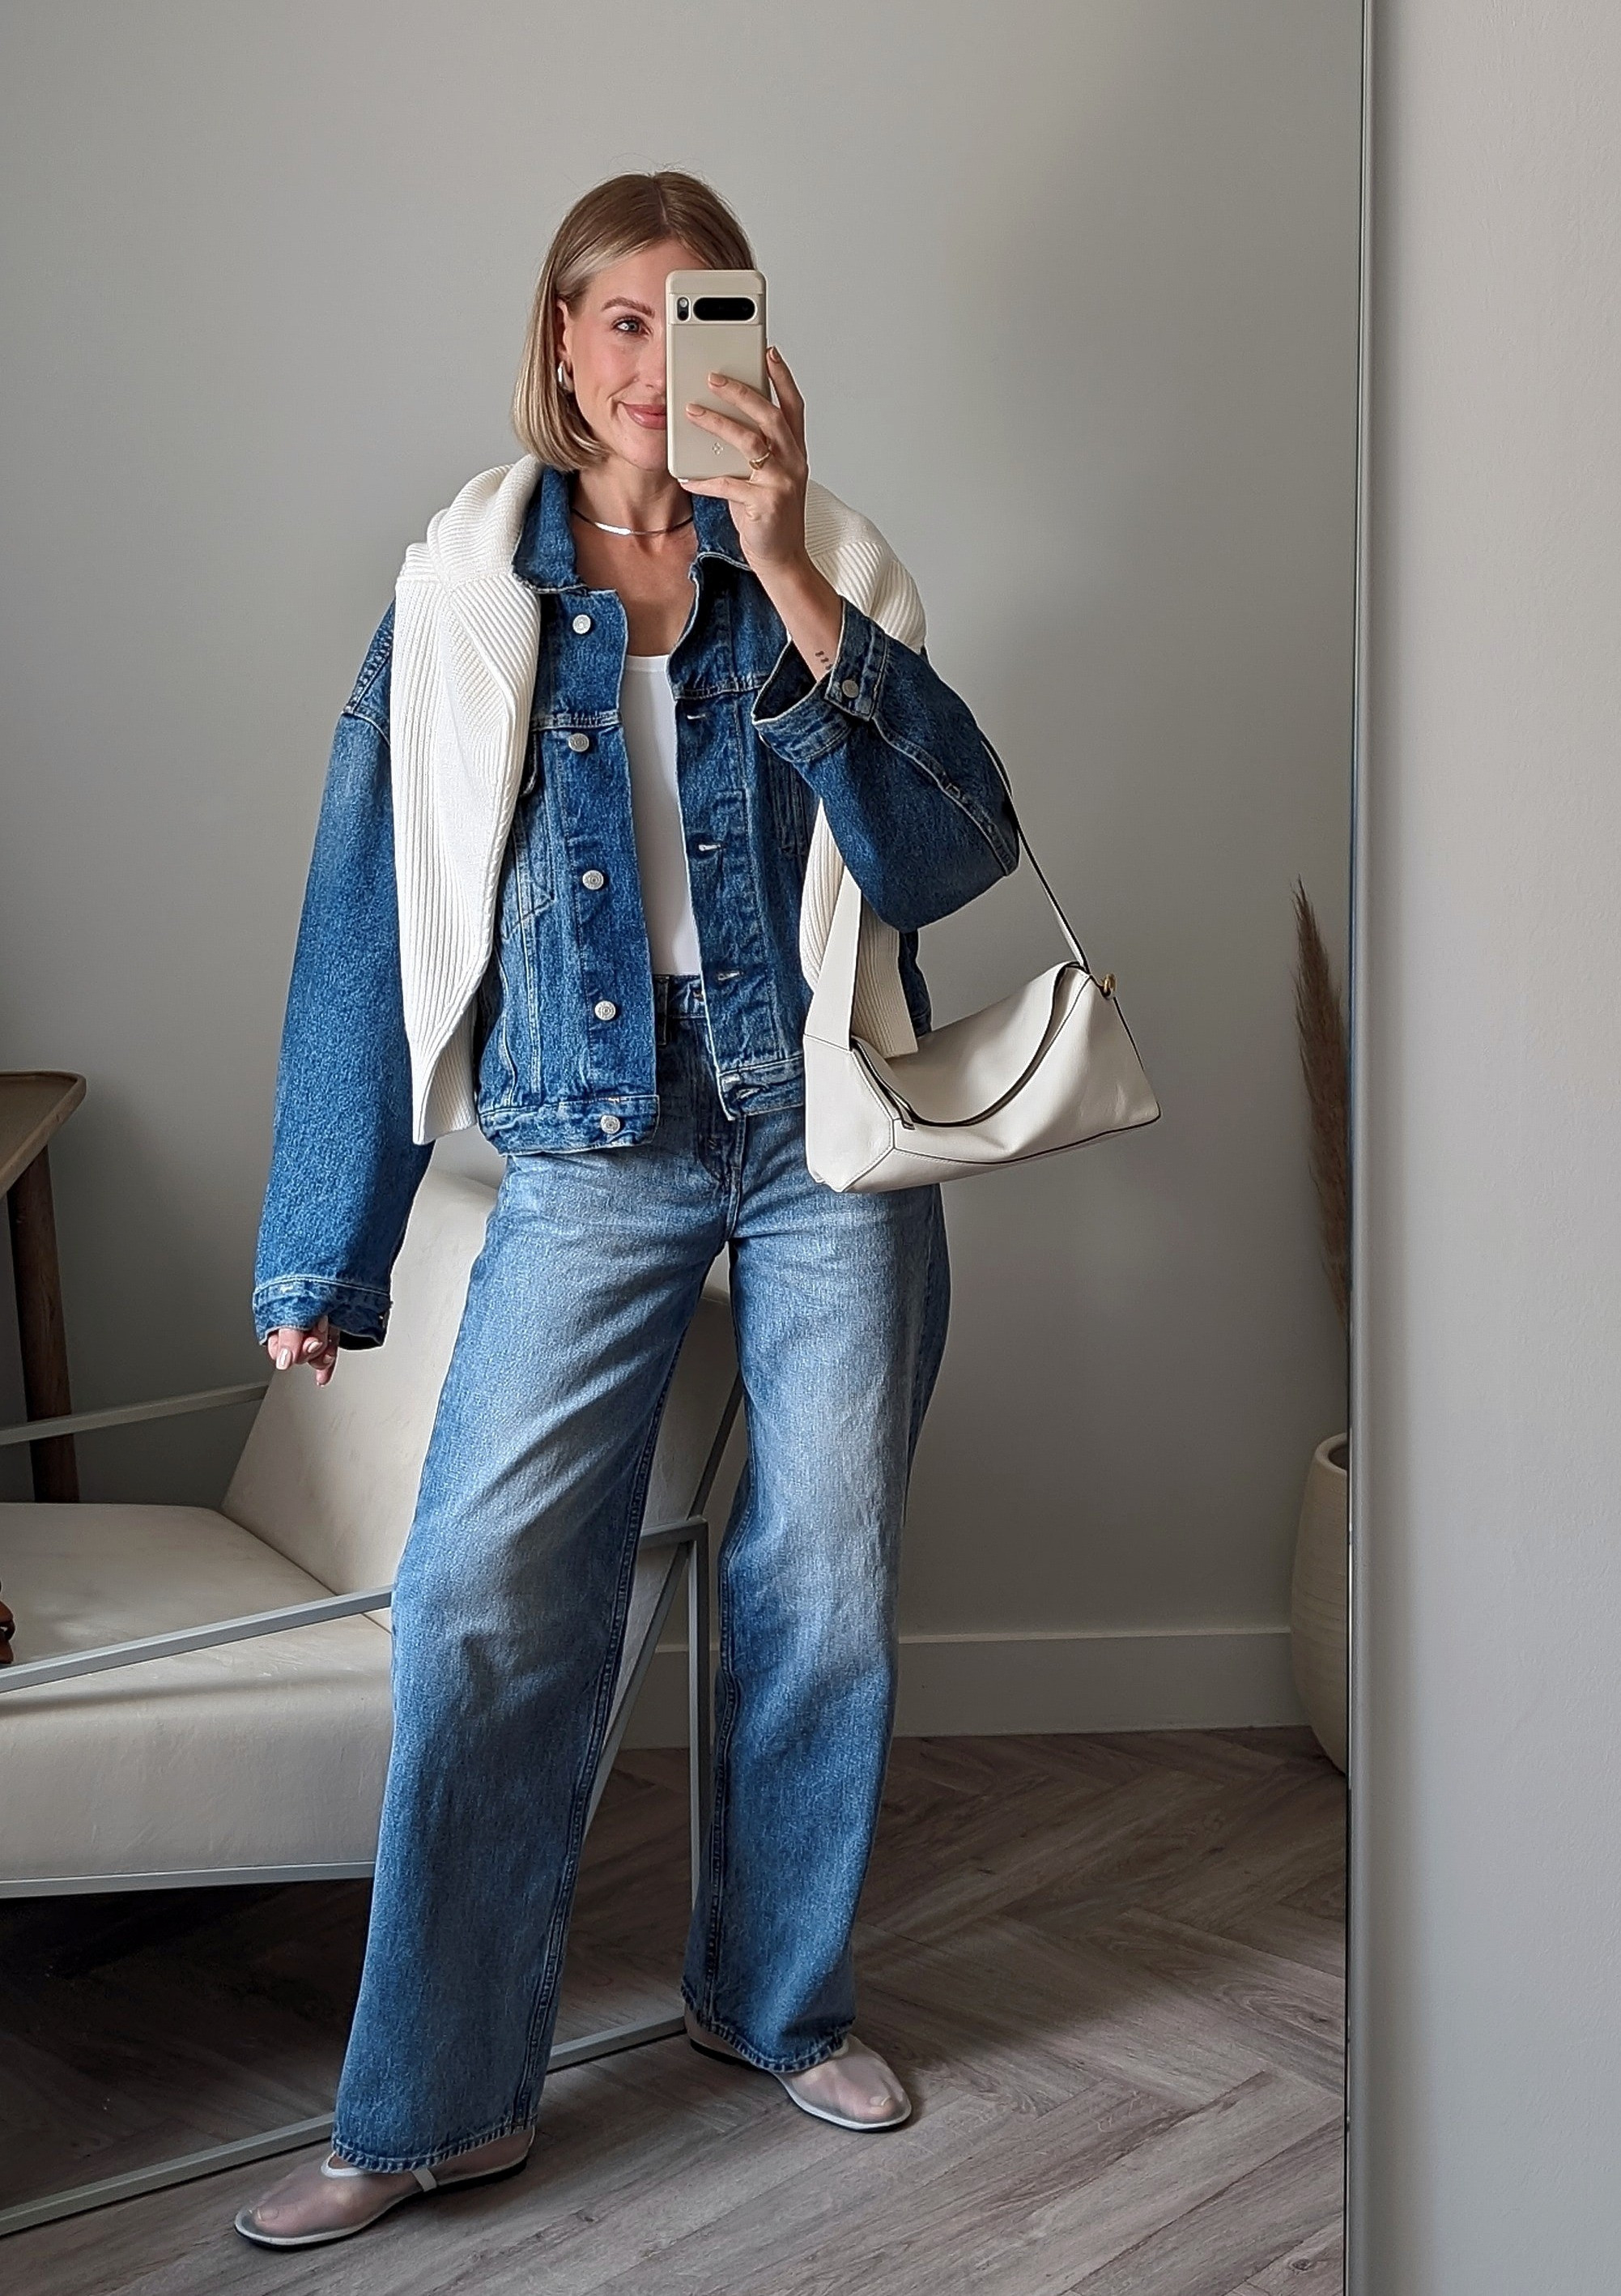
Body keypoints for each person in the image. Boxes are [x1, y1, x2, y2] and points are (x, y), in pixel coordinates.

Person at [234, 169, 1020, 2247]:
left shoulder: (820, 568)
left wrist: (795, 570)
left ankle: (775, 2003)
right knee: (487, 1590)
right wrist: (330, 1239)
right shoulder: (466, 588)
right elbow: (369, 922)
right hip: (593, 1133)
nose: (656, 362)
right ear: (563, 345)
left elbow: (950, 864)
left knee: (822, 1573)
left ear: (748, 345)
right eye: (620, 321)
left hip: (827, 1125)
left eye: (703, 319)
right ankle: (429, 2102)